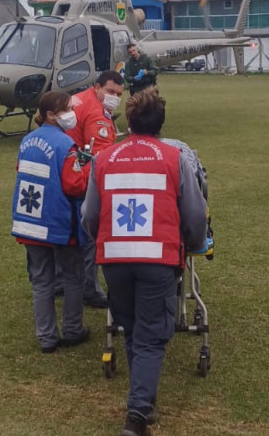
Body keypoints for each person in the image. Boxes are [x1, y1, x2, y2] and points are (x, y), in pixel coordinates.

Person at [82, 90, 208, 436]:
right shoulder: (174, 158)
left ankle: (141, 403)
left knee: (132, 329)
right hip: (158, 259)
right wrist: (195, 243)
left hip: (115, 260)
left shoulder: (104, 159)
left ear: (130, 120)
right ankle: (137, 416)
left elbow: (89, 216)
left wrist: (104, 240)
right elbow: (195, 216)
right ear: (161, 123)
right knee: (152, 336)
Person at [11, 91, 92, 354]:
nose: (72, 113)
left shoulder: (26, 141)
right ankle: (72, 329)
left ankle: (46, 337)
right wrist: (89, 168)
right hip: (59, 223)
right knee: (73, 276)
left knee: (42, 281)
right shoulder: (65, 145)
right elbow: (75, 185)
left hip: (29, 221)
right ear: (50, 114)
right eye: (67, 109)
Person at [65, 70, 125, 308]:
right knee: (91, 234)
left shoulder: (79, 98)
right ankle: (89, 287)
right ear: (98, 87)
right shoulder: (96, 113)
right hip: (84, 177)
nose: (115, 97)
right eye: (110, 92)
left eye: (119, 94)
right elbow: (101, 157)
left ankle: (63, 281)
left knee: (68, 233)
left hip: (68, 171)